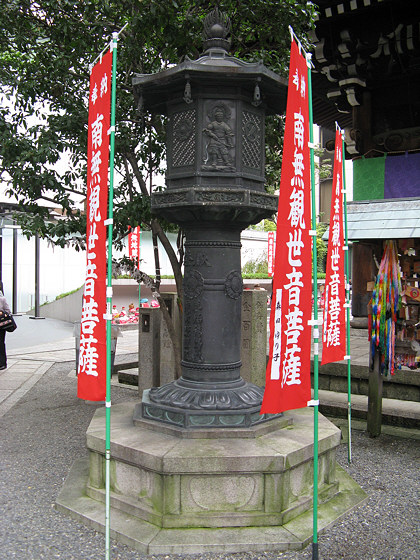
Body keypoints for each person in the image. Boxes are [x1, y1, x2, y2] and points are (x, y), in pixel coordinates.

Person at [0, 291, 11, 370]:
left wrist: (1, 313)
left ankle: (2, 363)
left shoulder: (2, 299)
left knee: (0, 344)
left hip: (1, 325)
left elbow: (8, 311)